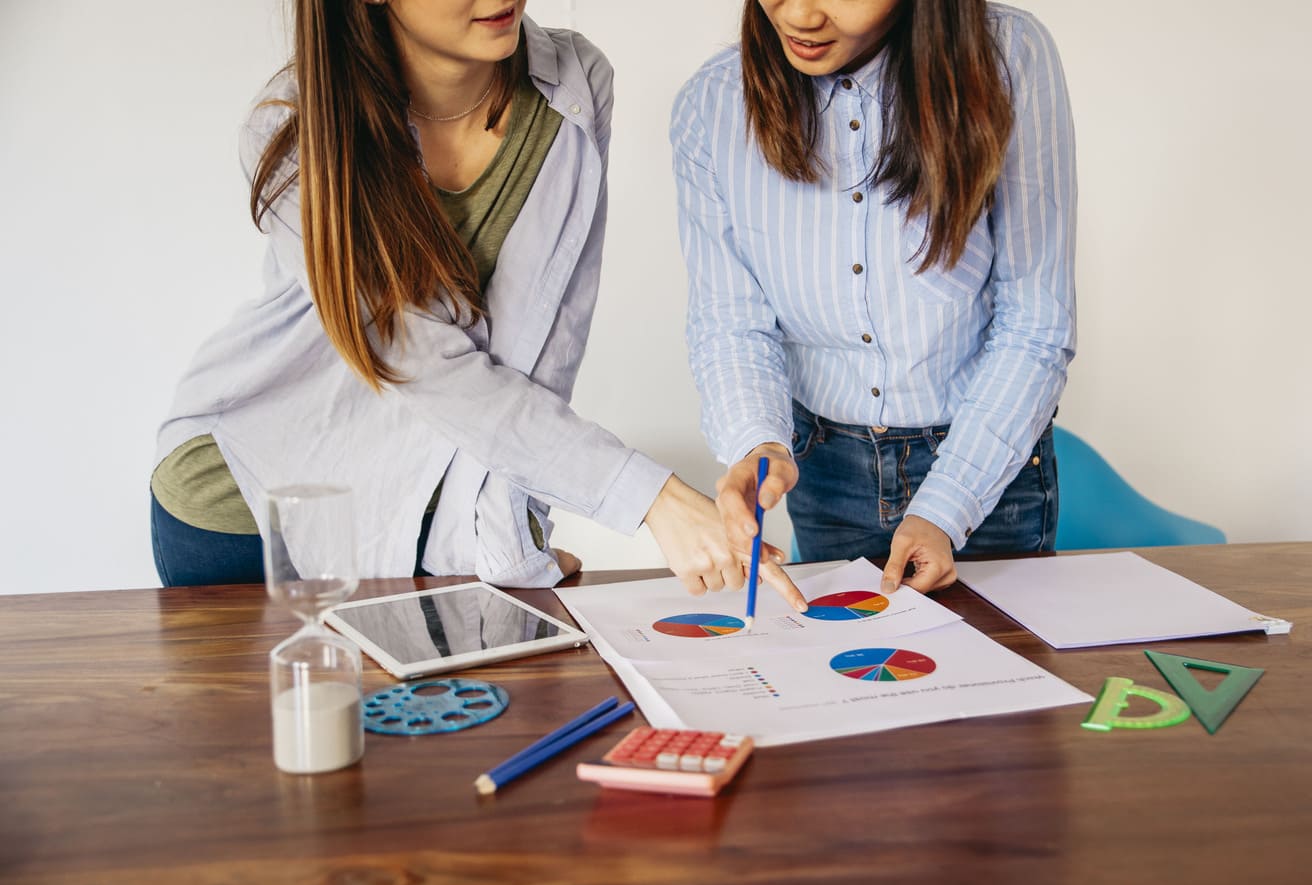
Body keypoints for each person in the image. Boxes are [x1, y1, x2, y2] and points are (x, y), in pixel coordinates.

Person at [150, 0, 804, 610]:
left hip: (425, 532)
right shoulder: (297, 127)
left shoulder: (573, 88)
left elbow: (547, 352)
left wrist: (511, 541)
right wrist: (656, 500)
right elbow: (423, 367)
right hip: (248, 515)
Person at [671, 0, 1076, 595]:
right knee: (853, 674)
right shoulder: (710, 104)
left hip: (984, 463)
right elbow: (732, 321)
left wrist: (946, 505)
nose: (801, 16)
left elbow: (1036, 322)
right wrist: (755, 444)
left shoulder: (1008, 56)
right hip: (826, 466)